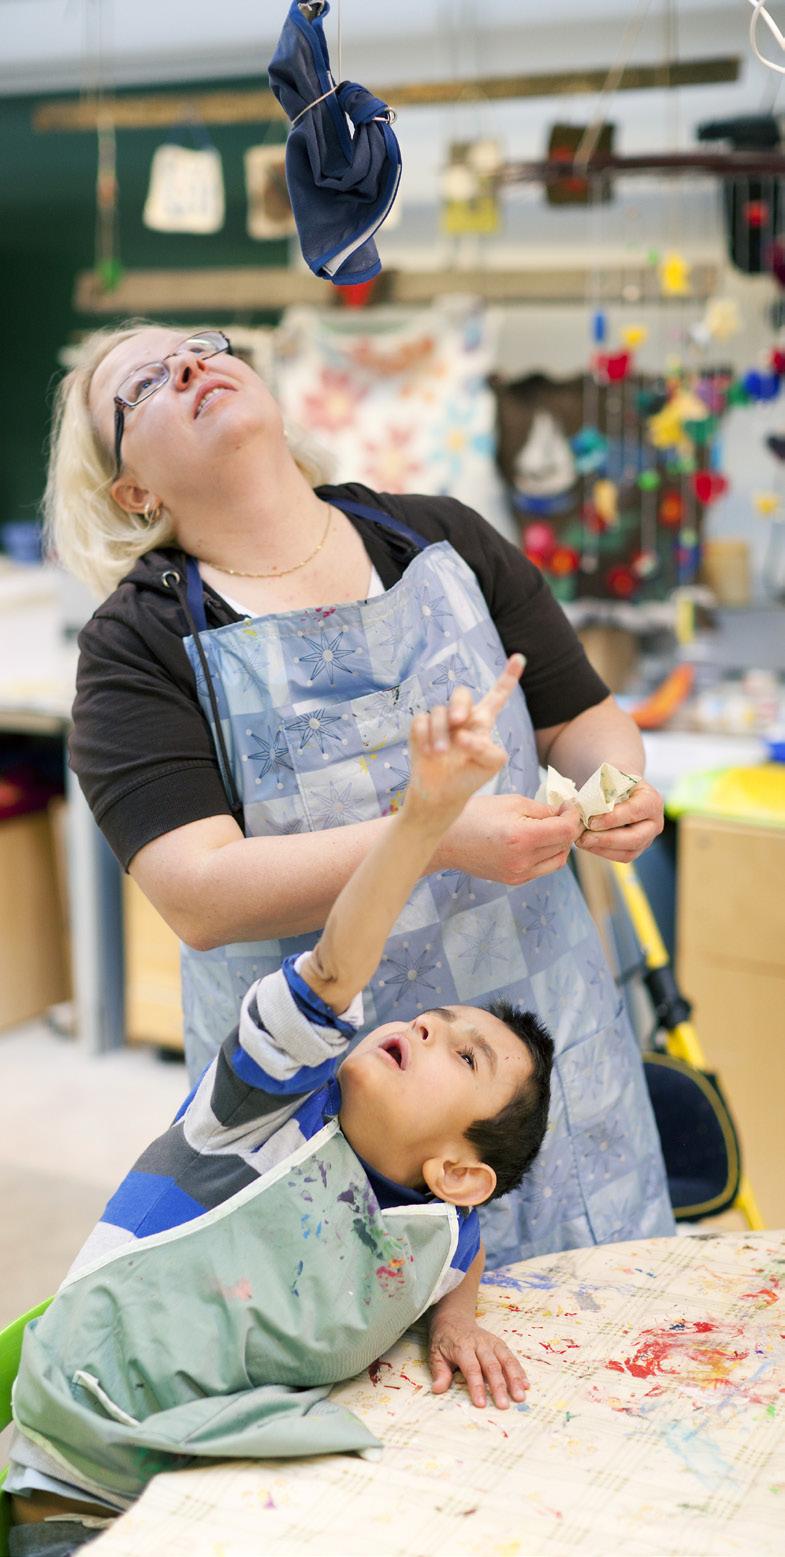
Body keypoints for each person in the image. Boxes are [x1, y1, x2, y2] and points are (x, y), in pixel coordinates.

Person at [51, 320, 674, 1266]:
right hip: (334, 1120)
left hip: (550, 1068)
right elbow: (200, 893)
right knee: (384, 1390)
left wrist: (615, 787)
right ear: (132, 490)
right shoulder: (135, 646)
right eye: (141, 384)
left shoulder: (439, 536)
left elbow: (578, 714)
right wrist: (437, 836)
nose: (189, 364)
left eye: (203, 344)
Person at [8, 662, 554, 1552]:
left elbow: (460, 1241)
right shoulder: (260, 1106)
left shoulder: (434, 1225)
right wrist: (424, 820)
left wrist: (455, 1317)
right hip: (78, 1471)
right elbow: (337, 970)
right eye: (429, 1017)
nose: (420, 1026)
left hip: (204, 1479)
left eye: (461, 1053)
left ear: (456, 1170)